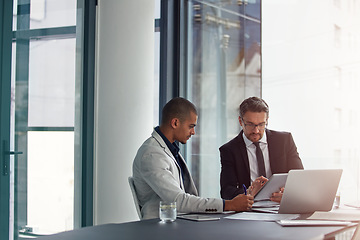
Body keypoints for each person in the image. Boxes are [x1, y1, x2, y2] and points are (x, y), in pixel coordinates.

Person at [132, 97, 256, 220]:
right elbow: (178, 200)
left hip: (180, 220)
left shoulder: (169, 149)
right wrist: (229, 204)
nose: (193, 132)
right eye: (191, 126)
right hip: (161, 226)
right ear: (175, 123)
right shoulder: (152, 154)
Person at [219, 97, 303, 202]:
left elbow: (300, 179)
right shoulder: (229, 150)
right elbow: (226, 192)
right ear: (241, 121)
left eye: (261, 124)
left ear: (267, 120)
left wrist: (289, 194)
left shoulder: (284, 141)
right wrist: (248, 192)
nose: (256, 130)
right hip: (250, 209)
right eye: (250, 124)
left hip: (280, 206)